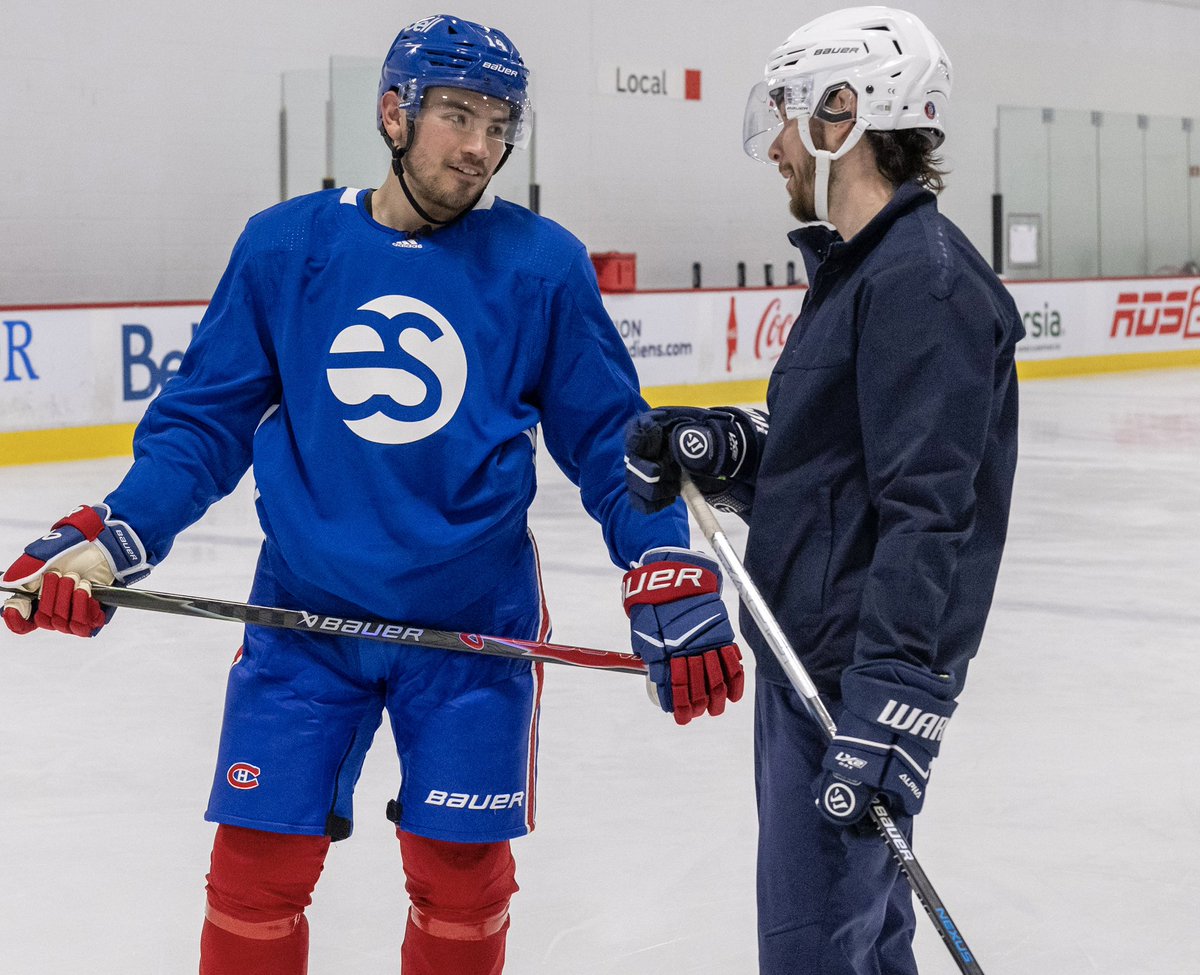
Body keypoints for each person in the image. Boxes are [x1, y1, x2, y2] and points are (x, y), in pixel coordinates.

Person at [2, 14, 743, 975]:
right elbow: (201, 426)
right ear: (394, 112)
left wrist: (664, 555)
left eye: (499, 122)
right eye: (457, 114)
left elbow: (611, 443)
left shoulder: (541, 264)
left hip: (474, 628)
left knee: (462, 883)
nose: (481, 146)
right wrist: (115, 534)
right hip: (304, 619)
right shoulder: (283, 249)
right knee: (255, 876)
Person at [624, 7, 1022, 974]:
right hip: (815, 666)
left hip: (848, 687)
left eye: (789, 110)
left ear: (843, 112)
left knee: (814, 952)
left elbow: (930, 510)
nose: (775, 148)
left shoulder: (922, 284)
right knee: (863, 946)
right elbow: (838, 471)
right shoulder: (859, 274)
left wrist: (891, 700)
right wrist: (731, 449)